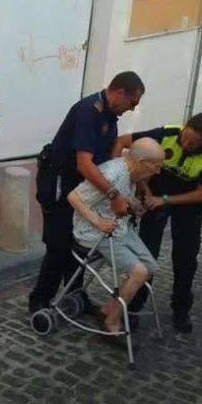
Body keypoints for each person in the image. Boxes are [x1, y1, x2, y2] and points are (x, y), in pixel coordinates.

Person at [28, 71, 145, 315]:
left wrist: (125, 192)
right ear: (120, 92)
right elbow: (84, 163)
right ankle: (40, 300)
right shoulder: (88, 112)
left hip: (83, 188)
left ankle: (74, 296)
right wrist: (113, 194)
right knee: (59, 245)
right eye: (132, 102)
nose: (132, 108)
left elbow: (108, 159)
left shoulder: (110, 115)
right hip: (61, 184)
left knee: (78, 245)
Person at [111, 111, 202, 333]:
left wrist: (164, 200)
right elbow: (123, 142)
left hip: (188, 206)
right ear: (184, 126)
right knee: (146, 254)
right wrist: (132, 184)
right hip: (155, 199)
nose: (185, 144)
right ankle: (134, 306)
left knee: (185, 258)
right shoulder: (167, 133)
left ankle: (181, 308)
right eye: (185, 137)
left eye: (193, 143)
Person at [67, 137, 165, 334]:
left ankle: (107, 311)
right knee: (139, 272)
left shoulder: (132, 173)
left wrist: (133, 205)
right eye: (156, 166)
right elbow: (73, 197)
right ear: (140, 162)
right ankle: (111, 322)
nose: (158, 171)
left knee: (150, 267)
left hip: (119, 227)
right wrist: (99, 222)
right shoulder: (112, 173)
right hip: (94, 231)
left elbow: (118, 200)